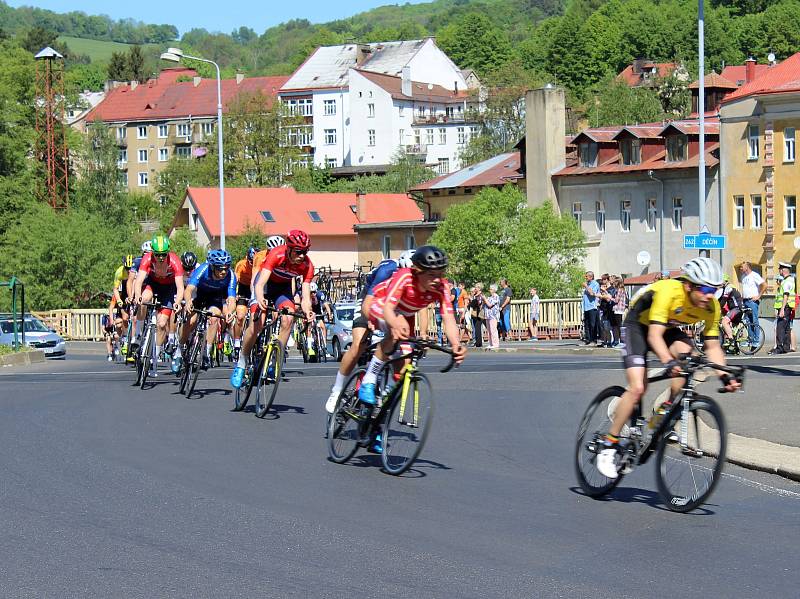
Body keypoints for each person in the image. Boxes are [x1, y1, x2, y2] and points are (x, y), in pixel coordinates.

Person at [595, 257, 740, 479]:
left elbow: (712, 345)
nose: (709, 295)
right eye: (703, 288)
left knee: (688, 361)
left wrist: (724, 374)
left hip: (667, 327)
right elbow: (654, 335)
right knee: (637, 388)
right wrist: (668, 361)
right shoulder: (669, 291)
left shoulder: (711, 306)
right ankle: (609, 443)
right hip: (637, 325)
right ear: (688, 285)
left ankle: (662, 415)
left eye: (714, 289)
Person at [357, 245, 466, 409]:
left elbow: (448, 318)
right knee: (395, 333)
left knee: (407, 363)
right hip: (381, 303)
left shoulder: (441, 287)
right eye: (431, 275)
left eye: (440, 274)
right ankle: (369, 380)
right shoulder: (405, 277)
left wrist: (456, 344)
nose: (437, 280)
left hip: (405, 314)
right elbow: (388, 309)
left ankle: (382, 403)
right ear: (417, 271)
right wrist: (394, 324)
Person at [324, 250, 415, 413]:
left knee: (400, 347)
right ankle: (337, 390)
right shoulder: (387, 270)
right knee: (359, 344)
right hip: (369, 299)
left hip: (393, 305)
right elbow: (368, 304)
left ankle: (385, 395)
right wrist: (372, 322)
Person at [231, 230, 315, 389]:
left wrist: (308, 311)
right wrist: (260, 297)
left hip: (282, 289)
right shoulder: (277, 254)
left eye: (305, 252)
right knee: (258, 322)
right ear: (289, 249)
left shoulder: (307, 266)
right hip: (265, 284)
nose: (302, 256)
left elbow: (305, 295)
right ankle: (241, 363)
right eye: (298, 252)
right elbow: (260, 283)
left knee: (288, 318)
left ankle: (274, 363)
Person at [172, 250, 237, 371]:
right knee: (190, 321)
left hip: (215, 299)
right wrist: (188, 302)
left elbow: (232, 299)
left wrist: (230, 311)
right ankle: (179, 351)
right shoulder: (203, 269)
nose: (223, 271)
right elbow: (189, 290)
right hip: (199, 295)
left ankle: (205, 353)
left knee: (214, 317)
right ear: (212, 267)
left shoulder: (231, 276)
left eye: (226, 268)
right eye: (219, 268)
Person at [132, 234, 185, 377]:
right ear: (153, 253)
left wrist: (178, 302)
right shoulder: (147, 258)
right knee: (144, 299)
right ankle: (137, 334)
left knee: (162, 324)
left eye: (163, 255)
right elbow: (139, 281)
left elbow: (180, 287)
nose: (160, 258)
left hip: (168, 290)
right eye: (157, 255)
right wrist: (137, 296)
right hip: (153, 285)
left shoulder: (175, 261)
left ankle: (154, 354)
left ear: (167, 252)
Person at [232, 246, 258, 356]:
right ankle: (237, 342)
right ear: (247, 258)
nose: (252, 264)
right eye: (250, 262)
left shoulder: (260, 263)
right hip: (243, 288)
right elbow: (234, 281)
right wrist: (235, 295)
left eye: (254, 262)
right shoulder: (241, 265)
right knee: (240, 316)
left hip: (256, 287)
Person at [739, 261, 766, 347]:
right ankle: (750, 339)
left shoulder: (754, 275)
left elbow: (764, 285)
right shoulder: (743, 277)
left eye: (742, 267)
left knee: (754, 320)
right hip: (745, 301)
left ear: (747, 267)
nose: (740, 268)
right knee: (747, 321)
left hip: (752, 301)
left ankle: (756, 340)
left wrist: (759, 296)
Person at [772, 262, 795, 354]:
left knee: (780, 327)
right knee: (786, 328)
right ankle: (785, 347)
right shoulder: (789, 280)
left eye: (780, 269)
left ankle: (779, 347)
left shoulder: (787, 281)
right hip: (787, 307)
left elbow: (785, 296)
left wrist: (781, 309)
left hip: (785, 308)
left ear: (783, 270)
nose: (779, 271)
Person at [717, 275, 744, 344]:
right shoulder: (725, 287)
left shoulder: (729, 287)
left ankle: (731, 339)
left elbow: (723, 300)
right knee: (730, 326)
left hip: (737, 308)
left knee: (724, 321)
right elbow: (720, 299)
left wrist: (718, 308)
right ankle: (733, 345)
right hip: (734, 308)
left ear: (725, 281)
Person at [582, 271, 600, 345]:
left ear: (591, 277)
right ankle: (588, 340)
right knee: (586, 324)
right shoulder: (588, 284)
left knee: (593, 324)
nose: (585, 278)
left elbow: (592, 294)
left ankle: (594, 340)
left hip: (592, 306)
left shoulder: (595, 284)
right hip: (586, 307)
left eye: (587, 276)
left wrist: (586, 286)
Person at [611, 276, 627, 348]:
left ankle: (622, 341)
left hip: (619, 309)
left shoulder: (620, 290)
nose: (613, 283)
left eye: (615, 282)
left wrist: (610, 297)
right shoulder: (620, 289)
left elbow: (616, 300)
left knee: (618, 326)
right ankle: (618, 341)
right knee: (616, 326)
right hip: (616, 309)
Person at [484, 284, 501, 350]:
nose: (489, 290)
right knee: (489, 330)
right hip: (488, 315)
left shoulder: (496, 296)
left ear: (494, 290)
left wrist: (485, 299)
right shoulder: (489, 297)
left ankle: (495, 344)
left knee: (493, 330)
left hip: (493, 315)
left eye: (491, 289)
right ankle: (491, 343)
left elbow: (490, 305)